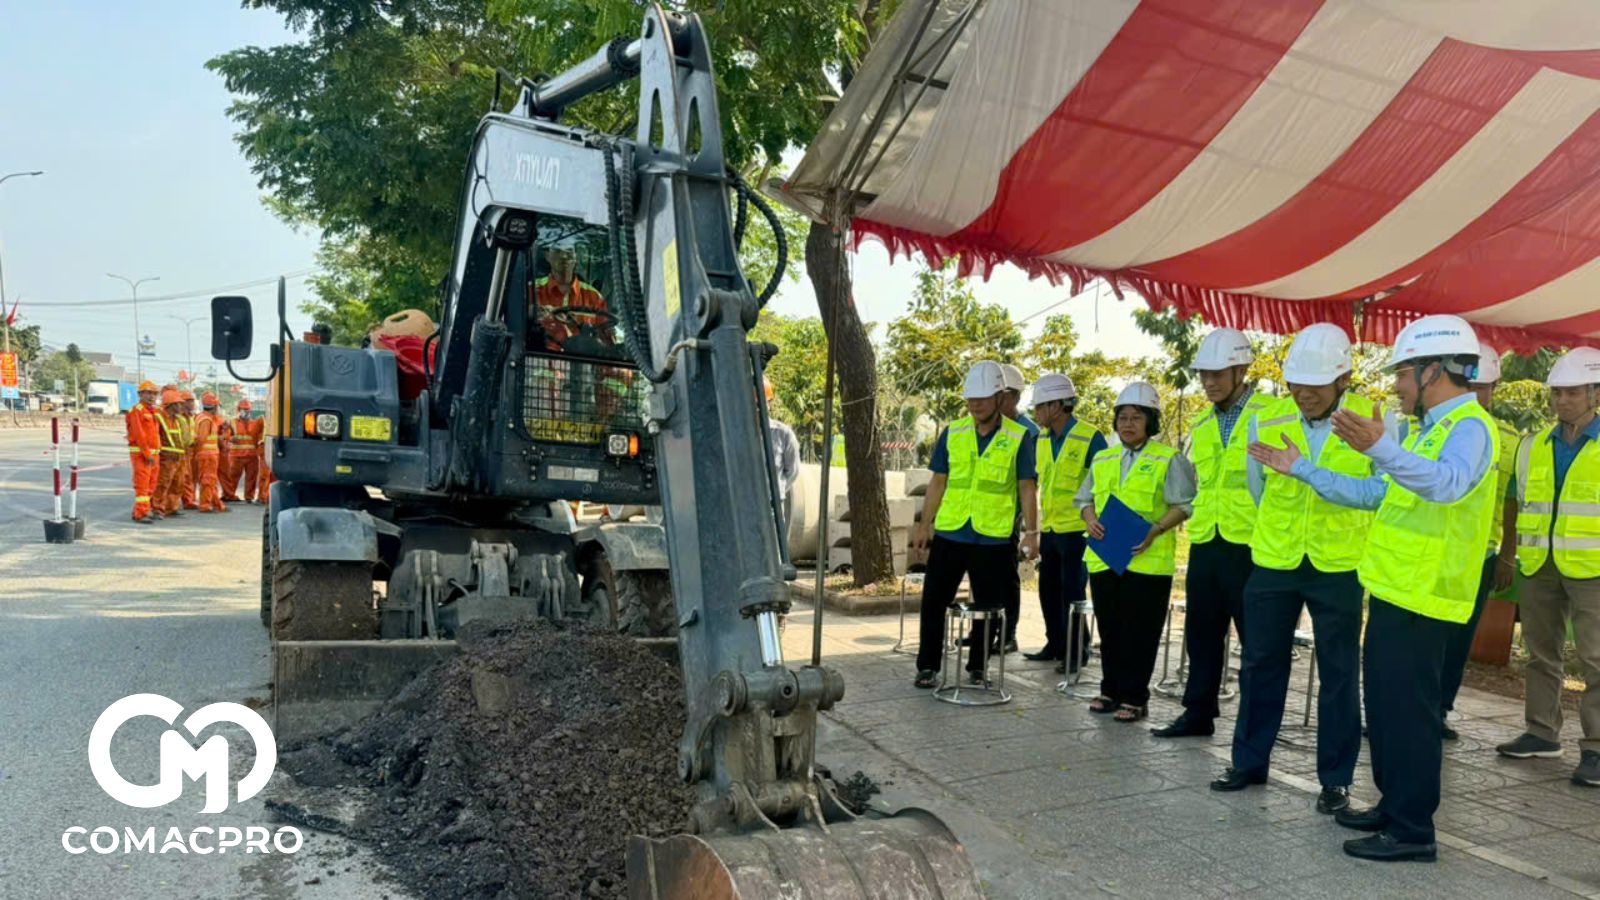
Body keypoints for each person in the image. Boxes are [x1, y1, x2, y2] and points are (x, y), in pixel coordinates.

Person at [1250, 314, 1497, 863]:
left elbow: (1448, 485)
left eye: (1403, 374)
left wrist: (1383, 448)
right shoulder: (1427, 430)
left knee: (1410, 714)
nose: (1396, 386)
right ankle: (1392, 806)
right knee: (1385, 710)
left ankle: (1412, 830)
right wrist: (1302, 470)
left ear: (1433, 370)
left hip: (1426, 594)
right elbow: (1374, 496)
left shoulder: (1470, 427)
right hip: (1394, 588)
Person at [1211, 324, 1381, 814]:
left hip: (1338, 565)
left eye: (1315, 386)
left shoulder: (1369, 423)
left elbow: (1374, 496)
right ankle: (1248, 761)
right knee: (1260, 664)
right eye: (1295, 385)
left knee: (1339, 673)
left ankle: (1336, 780)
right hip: (1273, 561)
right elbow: (1257, 487)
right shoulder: (1266, 421)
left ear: (1344, 378)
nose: (1304, 395)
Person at [1154, 328, 1270, 739]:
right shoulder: (1202, 424)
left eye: (1218, 374)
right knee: (1201, 635)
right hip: (1206, 541)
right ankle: (1197, 714)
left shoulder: (1271, 414)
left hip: (1253, 546)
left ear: (1241, 369)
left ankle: (1251, 732)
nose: (1209, 382)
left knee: (1255, 646)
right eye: (1204, 374)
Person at [1497, 347, 1600, 788]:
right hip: (1539, 563)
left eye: (1572, 393)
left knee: (1596, 659)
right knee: (1542, 653)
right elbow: (1516, 501)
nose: (1562, 401)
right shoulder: (1532, 444)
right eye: (1557, 393)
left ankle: (1596, 748)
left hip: (1592, 567)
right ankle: (1541, 731)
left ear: (1595, 392)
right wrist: (1510, 551)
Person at [911, 360, 1040, 688]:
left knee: (988, 605)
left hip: (994, 536)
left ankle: (978, 666)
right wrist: (925, 524)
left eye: (982, 398)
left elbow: (1027, 486)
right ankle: (927, 666)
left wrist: (1031, 533)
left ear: (1000, 398)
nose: (975, 404)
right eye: (971, 399)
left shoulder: (1019, 437)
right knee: (934, 599)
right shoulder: (953, 432)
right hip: (953, 531)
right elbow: (938, 481)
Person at [1077, 381, 1197, 723]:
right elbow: (1085, 499)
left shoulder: (1169, 458)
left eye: (1136, 417)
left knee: (1140, 632)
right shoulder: (1103, 457)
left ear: (1151, 422)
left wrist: (1154, 530)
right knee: (1111, 628)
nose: (1128, 424)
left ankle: (1135, 697)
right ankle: (1110, 689)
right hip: (1105, 556)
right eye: (1122, 417)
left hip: (1148, 560)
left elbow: (1185, 505)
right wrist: (1090, 519)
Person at [1441, 342, 1520, 740]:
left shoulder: (1510, 439)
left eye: (1484, 387)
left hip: (1480, 553)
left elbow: (1512, 501)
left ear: (1495, 387)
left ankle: (1439, 709)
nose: (1475, 395)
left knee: (1459, 636)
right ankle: (1409, 706)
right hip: (1436, 547)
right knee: (1424, 633)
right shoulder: (1435, 429)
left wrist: (1507, 556)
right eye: (1470, 386)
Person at [1026, 373, 1106, 673]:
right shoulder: (1043, 438)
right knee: (1048, 590)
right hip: (1051, 529)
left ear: (1058, 405)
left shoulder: (1090, 437)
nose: (1035, 413)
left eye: (1040, 407)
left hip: (1078, 530)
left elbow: (1102, 484)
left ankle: (1077, 651)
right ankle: (1055, 644)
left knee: (1073, 591)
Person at [993, 362, 1039, 653]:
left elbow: (1028, 484)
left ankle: (1008, 634)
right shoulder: (989, 424)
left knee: (1007, 579)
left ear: (1015, 397)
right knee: (985, 581)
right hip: (983, 519)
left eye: (1001, 395)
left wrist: (1029, 529)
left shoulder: (1028, 432)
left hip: (1009, 520)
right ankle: (983, 632)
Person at [530, 236, 610, 352]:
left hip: (582, 363)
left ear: (576, 256)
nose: (564, 256)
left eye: (569, 251)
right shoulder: (532, 291)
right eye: (557, 251)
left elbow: (607, 344)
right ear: (547, 256)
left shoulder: (594, 297)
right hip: (538, 360)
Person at [764, 378, 801, 536]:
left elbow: (792, 471)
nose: (758, 408)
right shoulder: (738, 434)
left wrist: (777, 490)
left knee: (774, 551)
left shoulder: (783, 434)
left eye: (762, 403)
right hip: (744, 506)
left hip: (773, 506)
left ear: (769, 403)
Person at [124, 381, 161, 524]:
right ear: (140, 394)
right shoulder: (137, 411)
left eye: (154, 393)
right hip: (142, 455)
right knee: (142, 485)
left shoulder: (153, 411)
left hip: (154, 454)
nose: (152, 396)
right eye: (149, 393)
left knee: (151, 485)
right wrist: (147, 454)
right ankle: (140, 513)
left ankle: (146, 509)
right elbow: (139, 434)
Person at [154, 387, 189, 517]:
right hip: (166, 458)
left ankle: (171, 508)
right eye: (179, 403)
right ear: (171, 404)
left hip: (179, 457)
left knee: (178, 483)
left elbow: (183, 439)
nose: (182, 406)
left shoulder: (177, 420)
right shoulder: (159, 417)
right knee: (162, 484)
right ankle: (158, 508)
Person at [192, 392, 228, 513]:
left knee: (210, 480)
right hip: (207, 455)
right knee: (207, 480)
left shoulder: (205, 418)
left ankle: (215, 503)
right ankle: (205, 505)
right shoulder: (206, 420)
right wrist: (198, 453)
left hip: (209, 454)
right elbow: (201, 439)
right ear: (214, 407)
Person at [224, 399, 264, 504]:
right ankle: (230, 495)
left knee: (252, 477)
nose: (246, 412)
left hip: (252, 456)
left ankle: (249, 497)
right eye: (244, 409)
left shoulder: (255, 423)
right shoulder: (232, 422)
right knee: (232, 476)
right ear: (238, 410)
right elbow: (226, 435)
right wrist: (231, 438)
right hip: (236, 455)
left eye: (248, 410)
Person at [179, 390, 200, 511]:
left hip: (192, 450)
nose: (192, 403)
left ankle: (190, 499)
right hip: (183, 450)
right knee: (185, 476)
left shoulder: (191, 417)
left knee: (192, 477)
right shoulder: (179, 417)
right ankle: (187, 500)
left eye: (192, 401)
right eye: (189, 401)